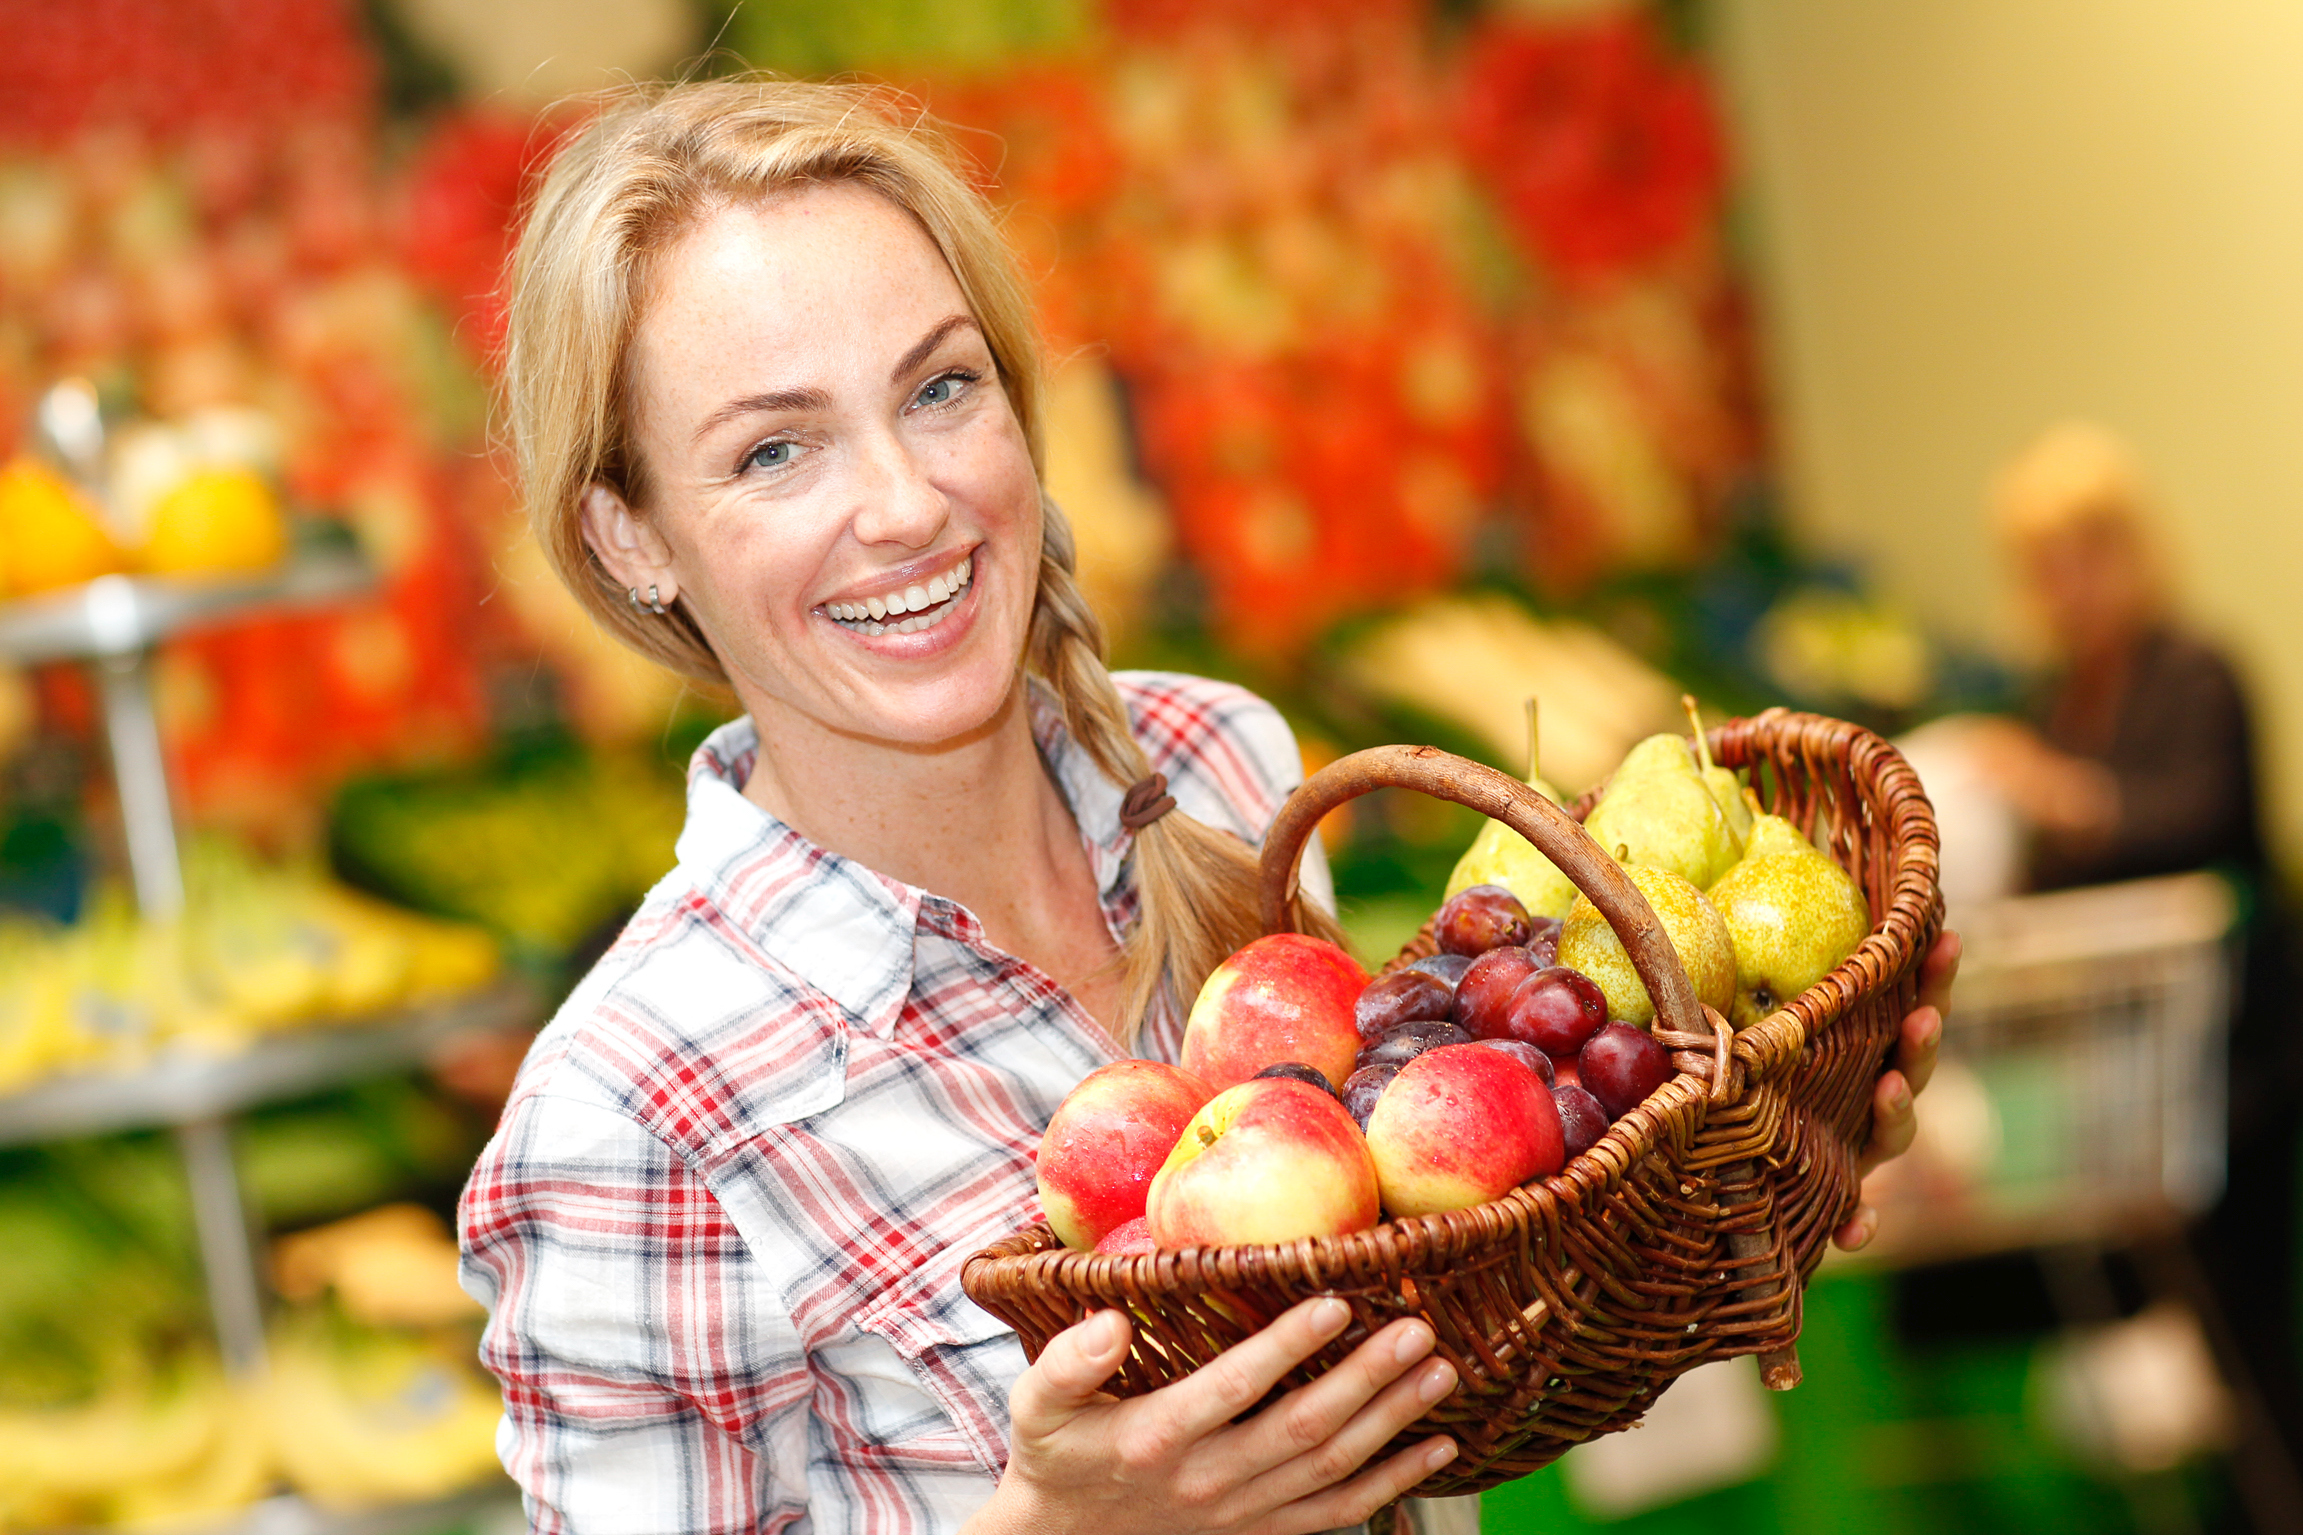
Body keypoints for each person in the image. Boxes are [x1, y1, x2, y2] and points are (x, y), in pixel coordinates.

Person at [455, 79, 1953, 1535]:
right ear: (630, 533)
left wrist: (1711, 1190)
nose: (906, 500)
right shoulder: (630, 1116)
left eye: (940, 387)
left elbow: (1438, 1358)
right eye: (774, 449)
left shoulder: (1215, 763)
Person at [1963, 424, 2303, 1512]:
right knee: (2175, 1341)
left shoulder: (2196, 671)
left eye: (2077, 553)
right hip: (2120, 1087)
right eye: (2037, 563)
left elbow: (2197, 817)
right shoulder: (2052, 696)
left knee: (2255, 1322)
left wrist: (2051, 792)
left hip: (2243, 1067)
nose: (2059, 587)